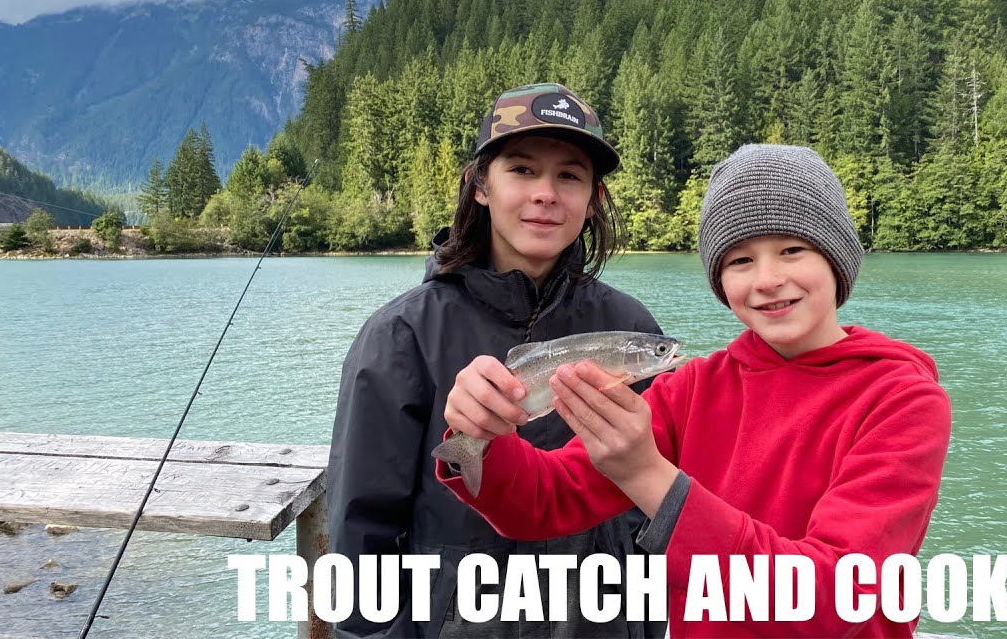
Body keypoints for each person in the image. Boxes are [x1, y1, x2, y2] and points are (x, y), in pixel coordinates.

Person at [438, 143, 952, 637]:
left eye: (792, 250)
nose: (768, 279)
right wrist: (479, 435)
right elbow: (542, 504)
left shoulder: (902, 400)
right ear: (719, 280)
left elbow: (837, 598)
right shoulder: (691, 389)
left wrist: (645, 473)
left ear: (838, 259)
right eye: (740, 261)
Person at [327, 82, 663, 638]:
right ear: (480, 184)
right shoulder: (400, 335)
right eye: (523, 170)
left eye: (570, 176)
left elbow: (650, 513)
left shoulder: (630, 330)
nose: (546, 194)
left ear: (592, 198)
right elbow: (361, 529)